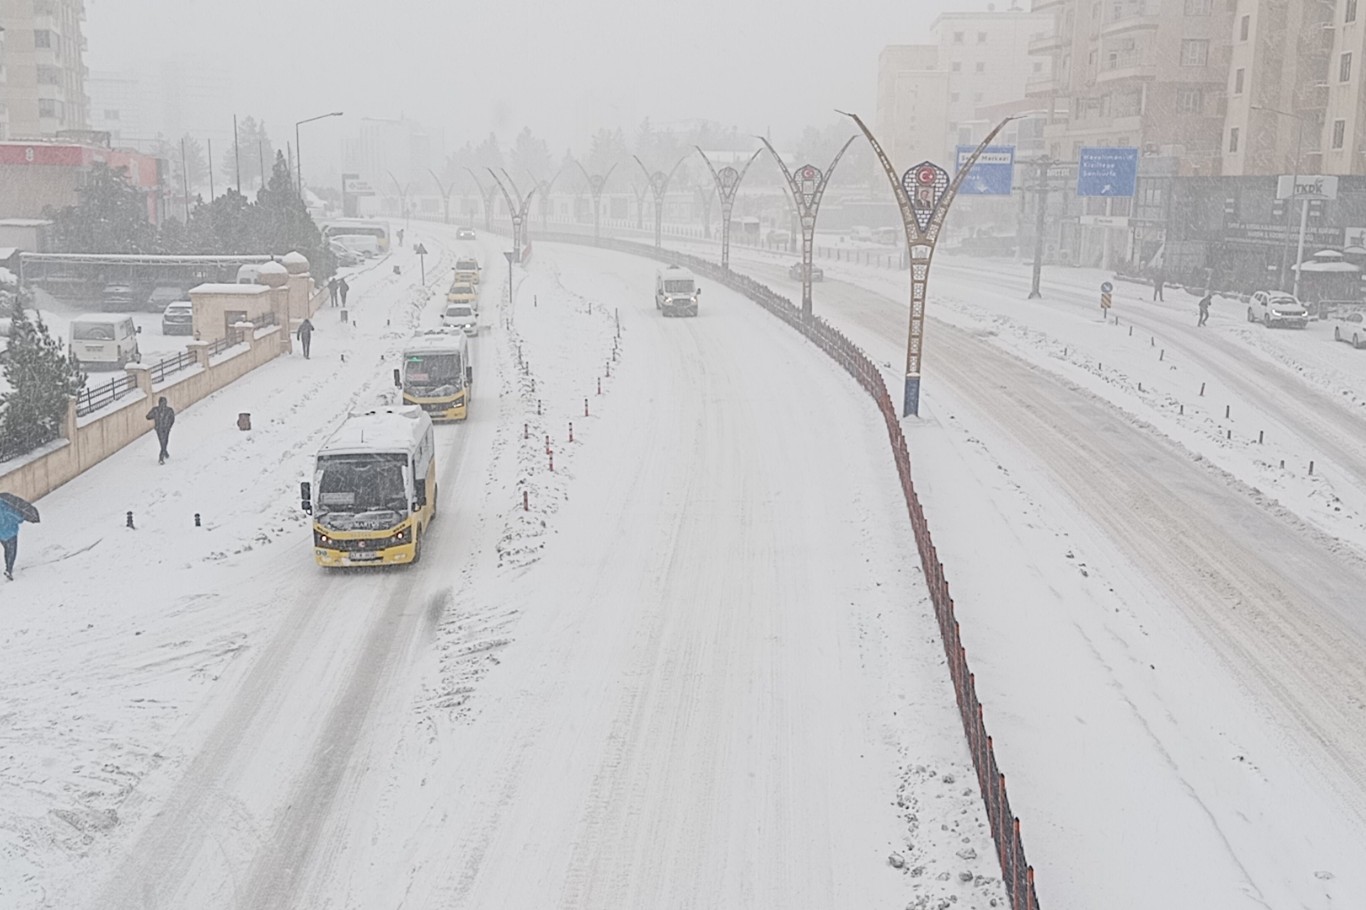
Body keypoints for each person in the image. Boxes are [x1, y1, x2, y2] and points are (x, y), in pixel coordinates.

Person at [146, 396, 176, 465]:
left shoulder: (156, 410)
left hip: (160, 428)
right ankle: (161, 457)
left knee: (163, 442)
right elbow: (172, 419)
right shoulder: (168, 410)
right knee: (164, 441)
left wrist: (169, 426)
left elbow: (148, 416)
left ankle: (164, 452)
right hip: (164, 428)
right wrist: (169, 426)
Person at [0, 498, 25, 581]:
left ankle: (8, 566)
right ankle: (9, 569)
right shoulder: (6, 506)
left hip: (1, 534)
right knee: (12, 551)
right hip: (10, 532)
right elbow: (17, 517)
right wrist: (21, 518)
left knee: (7, 549)